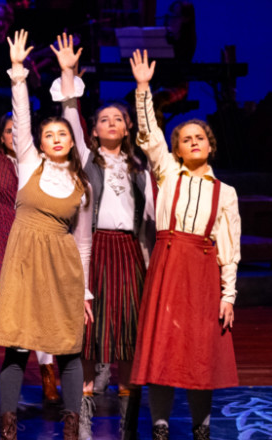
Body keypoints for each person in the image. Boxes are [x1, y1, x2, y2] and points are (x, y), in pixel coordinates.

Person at [130, 49, 240, 440]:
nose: (193, 142)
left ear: (210, 146)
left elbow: (230, 248)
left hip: (202, 273)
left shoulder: (225, 192)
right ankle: (160, 427)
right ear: (176, 150)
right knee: (163, 350)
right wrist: (143, 88)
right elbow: (149, 135)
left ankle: (201, 428)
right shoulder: (168, 174)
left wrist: (228, 295)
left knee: (199, 353)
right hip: (169, 266)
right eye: (186, 139)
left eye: (200, 138)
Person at [53, 33, 157, 434]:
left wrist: (142, 88)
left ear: (126, 127)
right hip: (96, 252)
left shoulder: (139, 165)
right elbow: (70, 120)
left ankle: (129, 424)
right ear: (93, 131)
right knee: (90, 337)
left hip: (129, 252)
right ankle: (82, 422)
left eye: (118, 118)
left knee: (129, 336)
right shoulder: (86, 160)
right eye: (103, 120)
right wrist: (67, 74)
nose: (111, 123)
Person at [0, 31, 93, 440]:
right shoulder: (28, 162)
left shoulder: (80, 175)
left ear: (71, 143)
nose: (56, 138)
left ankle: (71, 425)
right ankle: (8, 426)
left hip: (63, 265)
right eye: (49, 135)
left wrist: (68, 76)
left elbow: (83, 240)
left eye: (62, 135)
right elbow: (20, 116)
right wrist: (17, 72)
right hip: (22, 261)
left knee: (68, 347)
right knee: (16, 345)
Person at [0, 110, 63, 407]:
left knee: (39, 313)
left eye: (18, 131)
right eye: (7, 131)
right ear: (1, 137)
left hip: (33, 240)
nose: (13, 135)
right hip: (0, 240)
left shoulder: (41, 165)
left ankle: (47, 377)